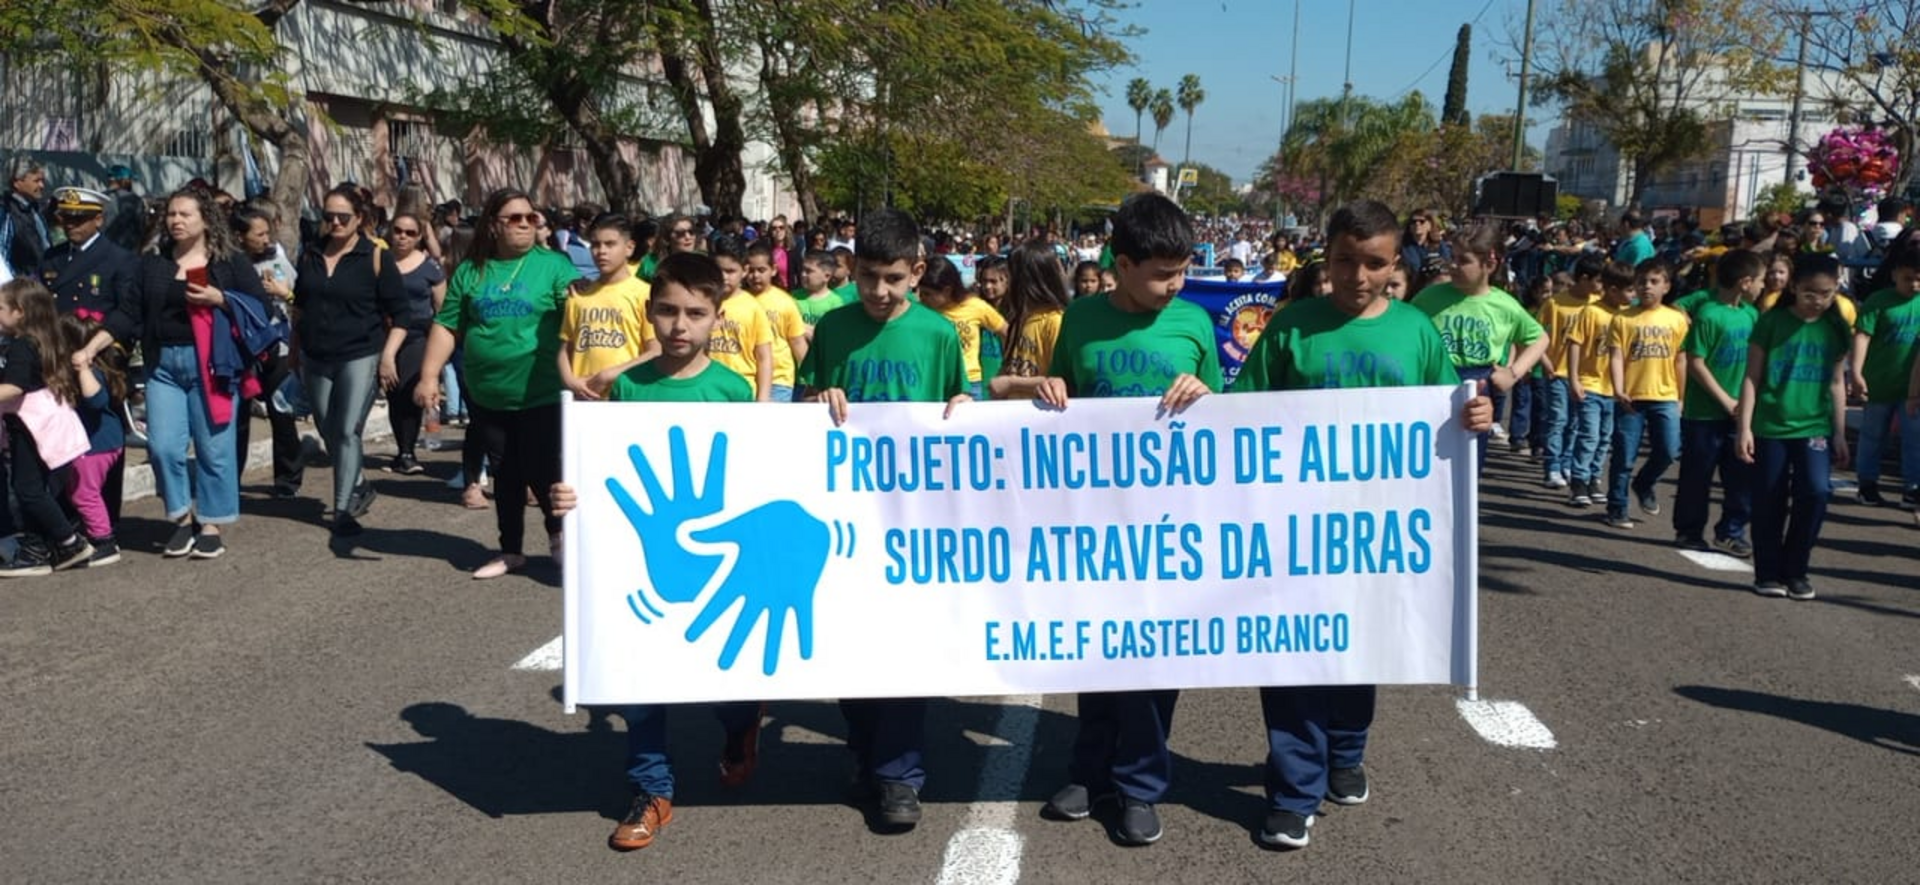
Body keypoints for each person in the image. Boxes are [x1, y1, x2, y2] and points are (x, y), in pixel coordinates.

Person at [1232, 199, 1493, 850]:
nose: (1357, 275)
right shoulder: (1293, 325)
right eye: (1344, 260)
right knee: (1292, 654)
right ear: (1326, 258)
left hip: (1378, 535)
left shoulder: (1415, 331)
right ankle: (1293, 791)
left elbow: (1448, 412)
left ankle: (1345, 752)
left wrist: (1476, 416)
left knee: (1358, 649)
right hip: (1293, 530)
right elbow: (1240, 413)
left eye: (1374, 262)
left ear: (1395, 262)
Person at [549, 252, 768, 852]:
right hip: (639, 558)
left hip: (716, 558)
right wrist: (573, 496)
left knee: (725, 683)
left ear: (717, 320)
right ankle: (652, 790)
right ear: (649, 313)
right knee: (639, 683)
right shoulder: (626, 386)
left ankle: (742, 722)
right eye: (668, 310)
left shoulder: (732, 389)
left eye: (695, 314)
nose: (679, 325)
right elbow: (607, 473)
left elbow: (752, 476)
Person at [1038, 193, 1220, 847]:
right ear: (1121, 264)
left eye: (1182, 271)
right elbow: (1060, 399)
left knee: (1151, 664)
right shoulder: (1080, 319)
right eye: (1162, 273)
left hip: (1171, 526)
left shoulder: (1195, 324)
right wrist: (1050, 390)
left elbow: (1231, 428)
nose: (1175, 286)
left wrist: (1204, 395)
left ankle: (1141, 784)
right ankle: (1090, 772)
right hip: (1095, 523)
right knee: (1098, 654)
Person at [801, 208, 969, 832]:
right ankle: (863, 749)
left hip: (913, 521)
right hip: (844, 518)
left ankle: (900, 775)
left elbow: (961, 407)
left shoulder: (938, 334)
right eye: (868, 277)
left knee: (903, 650)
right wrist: (817, 400)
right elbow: (799, 408)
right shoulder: (833, 328)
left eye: (893, 279)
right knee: (852, 650)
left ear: (917, 272)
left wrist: (962, 405)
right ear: (851, 270)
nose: (878, 291)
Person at [88, 186, 267, 559]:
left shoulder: (229, 262)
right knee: (163, 446)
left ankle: (212, 524)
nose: (176, 221)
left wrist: (220, 299)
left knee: (213, 449)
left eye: (185, 214)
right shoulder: (154, 263)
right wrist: (91, 346)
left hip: (213, 367)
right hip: (164, 366)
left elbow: (261, 308)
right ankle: (182, 520)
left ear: (205, 220)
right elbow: (128, 312)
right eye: (171, 214)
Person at [414, 187, 578, 578]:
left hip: (541, 391)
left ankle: (559, 538)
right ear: (493, 224)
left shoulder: (554, 265)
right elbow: (448, 324)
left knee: (544, 468)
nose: (526, 224)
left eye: (531, 218)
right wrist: (429, 375)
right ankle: (510, 550)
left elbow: (578, 311)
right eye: (515, 218)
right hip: (487, 392)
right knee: (505, 472)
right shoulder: (472, 271)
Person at [293, 184, 408, 537]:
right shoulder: (311, 253)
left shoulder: (375, 255)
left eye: (343, 217)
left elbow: (401, 315)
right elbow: (300, 306)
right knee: (328, 429)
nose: (335, 223)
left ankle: (342, 509)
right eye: (329, 217)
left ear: (359, 219)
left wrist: (388, 356)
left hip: (360, 353)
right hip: (315, 356)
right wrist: (293, 351)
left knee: (345, 431)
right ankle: (359, 481)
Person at [1737, 252, 1851, 599]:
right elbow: (1752, 378)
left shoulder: (1836, 328)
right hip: (1771, 426)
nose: (1818, 301)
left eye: (1827, 293)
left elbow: (1835, 382)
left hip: (1814, 427)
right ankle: (1768, 572)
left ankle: (1796, 569)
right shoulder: (1771, 322)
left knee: (1816, 492)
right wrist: (1745, 428)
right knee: (1769, 499)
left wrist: (1841, 433)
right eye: (1810, 293)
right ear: (1795, 287)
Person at [1409, 222, 1547, 470]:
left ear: (1490, 264)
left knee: (1469, 465)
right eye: (1452, 257)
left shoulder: (1504, 305)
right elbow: (1405, 328)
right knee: (1429, 461)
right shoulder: (1430, 297)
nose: (1453, 265)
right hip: (1433, 382)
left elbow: (1539, 338)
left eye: (1464, 260)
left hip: (1478, 385)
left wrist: (1513, 373)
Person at [1673, 250, 1764, 556]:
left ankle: (1731, 531)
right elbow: (1696, 362)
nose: (1763, 287)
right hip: (1705, 413)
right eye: (1760, 281)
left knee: (1741, 476)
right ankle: (1689, 530)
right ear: (1745, 282)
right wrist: (1726, 400)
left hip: (1742, 414)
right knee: (1697, 476)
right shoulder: (1710, 314)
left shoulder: (1751, 315)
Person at [0, 280, 93, 575]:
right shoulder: (41, 340)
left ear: (20, 312)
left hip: (31, 427)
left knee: (27, 489)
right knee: (36, 488)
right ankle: (38, 547)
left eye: (1, 308)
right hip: (42, 424)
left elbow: (14, 387)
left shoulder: (22, 346)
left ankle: (70, 542)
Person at [1601, 258, 1690, 528]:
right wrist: (1618, 388)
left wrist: (1681, 397)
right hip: (1631, 397)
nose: (1646, 287)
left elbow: (1680, 360)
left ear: (1666, 286)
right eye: (1641, 282)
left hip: (1665, 396)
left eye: (1654, 281)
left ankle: (1645, 483)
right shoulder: (1622, 318)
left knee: (1669, 449)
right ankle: (1617, 507)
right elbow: (1616, 356)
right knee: (1624, 455)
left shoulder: (1677, 319)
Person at [231, 204, 307, 498]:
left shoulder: (276, 257)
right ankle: (230, 482)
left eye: (268, 233)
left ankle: (288, 480)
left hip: (276, 345)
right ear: (240, 237)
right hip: (240, 351)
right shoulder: (229, 264)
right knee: (238, 419)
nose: (266, 239)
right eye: (259, 234)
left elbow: (300, 292)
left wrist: (283, 292)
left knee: (281, 412)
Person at [1849, 231, 1920, 509]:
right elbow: (1862, 336)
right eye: (1908, 278)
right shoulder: (1879, 301)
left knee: (1914, 439)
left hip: (1913, 388)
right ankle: (1867, 484)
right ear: (1894, 275)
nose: (1914, 284)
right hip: (1878, 382)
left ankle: (1912, 487)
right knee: (1872, 436)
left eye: (1919, 278)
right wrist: (1856, 372)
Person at [557, 214, 652, 404]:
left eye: (610, 244)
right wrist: (570, 381)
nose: (601, 251)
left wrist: (610, 374)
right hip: (583, 398)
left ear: (629, 247)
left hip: (625, 396)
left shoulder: (644, 294)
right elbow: (565, 348)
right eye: (595, 245)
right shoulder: (579, 294)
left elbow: (655, 351)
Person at [381, 207, 447, 476]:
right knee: (393, 395)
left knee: (409, 392)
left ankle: (408, 452)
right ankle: (401, 449)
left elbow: (441, 308)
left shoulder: (430, 267)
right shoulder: (379, 261)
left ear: (419, 237)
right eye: (397, 231)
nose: (402, 237)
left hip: (419, 336)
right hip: (384, 336)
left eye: (410, 233)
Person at [1563, 261, 1636, 508]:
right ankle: (1579, 481)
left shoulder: (1627, 315)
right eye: (1629, 290)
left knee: (1605, 438)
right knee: (1589, 435)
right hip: (1590, 384)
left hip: (1613, 389)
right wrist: (1573, 379)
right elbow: (1574, 343)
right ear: (1613, 290)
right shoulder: (1592, 312)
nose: (1633, 295)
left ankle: (1595, 478)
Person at [61, 316, 126, 566]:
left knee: (84, 493)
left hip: (97, 444)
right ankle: (93, 530)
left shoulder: (92, 373)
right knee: (80, 491)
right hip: (97, 443)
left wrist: (82, 367)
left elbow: (96, 401)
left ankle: (104, 541)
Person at [1534, 255, 1602, 489]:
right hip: (1558, 372)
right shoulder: (1555, 303)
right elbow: (1536, 334)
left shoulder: (1597, 303)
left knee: (1575, 422)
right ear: (1584, 279)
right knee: (1558, 420)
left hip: (1585, 376)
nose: (1600, 286)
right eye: (1597, 280)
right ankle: (1552, 467)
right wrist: (1545, 361)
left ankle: (1567, 463)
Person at [917, 257, 1006, 400]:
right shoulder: (921, 311)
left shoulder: (975, 306)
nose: (922, 298)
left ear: (947, 291)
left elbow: (1007, 333)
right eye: (920, 292)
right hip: (935, 382)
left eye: (927, 294)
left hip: (970, 384)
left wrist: (1005, 368)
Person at [992, 241, 1072, 399]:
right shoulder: (1019, 320)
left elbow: (1063, 382)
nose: (1008, 281)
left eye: (1010, 275)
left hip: (1041, 418)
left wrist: (1011, 383)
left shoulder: (1055, 321)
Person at [705, 234, 775, 401]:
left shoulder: (753, 308)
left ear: (744, 271)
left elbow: (764, 358)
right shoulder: (702, 304)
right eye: (718, 270)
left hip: (743, 391)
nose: (723, 277)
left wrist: (763, 399)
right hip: (708, 388)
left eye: (730, 271)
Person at [743, 239, 808, 401]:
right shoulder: (740, 300)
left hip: (779, 379)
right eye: (750, 270)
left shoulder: (785, 302)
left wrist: (810, 379)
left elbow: (797, 342)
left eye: (761, 270)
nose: (755, 275)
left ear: (773, 270)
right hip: (748, 376)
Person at [4, 159, 49, 278]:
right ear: (17, 183)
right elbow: (3, 255)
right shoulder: (6, 211)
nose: (41, 185)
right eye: (36, 181)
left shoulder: (35, 209)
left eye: (42, 180)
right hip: (20, 286)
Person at [792, 251, 848, 330]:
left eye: (809, 271)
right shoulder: (794, 296)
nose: (803, 274)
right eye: (803, 270)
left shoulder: (835, 303)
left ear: (826, 276)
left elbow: (835, 331)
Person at [103, 166, 148, 253]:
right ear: (124, 180)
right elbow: (141, 228)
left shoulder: (98, 199)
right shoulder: (134, 200)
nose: (131, 183)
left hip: (101, 252)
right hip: (127, 253)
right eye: (130, 180)